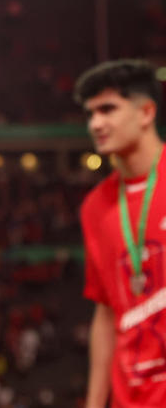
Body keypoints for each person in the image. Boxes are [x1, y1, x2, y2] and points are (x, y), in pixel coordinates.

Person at [75, 59, 166, 407]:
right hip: (132, 397)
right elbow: (106, 312)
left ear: (146, 113)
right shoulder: (95, 207)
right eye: (90, 113)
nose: (96, 123)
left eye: (108, 109)